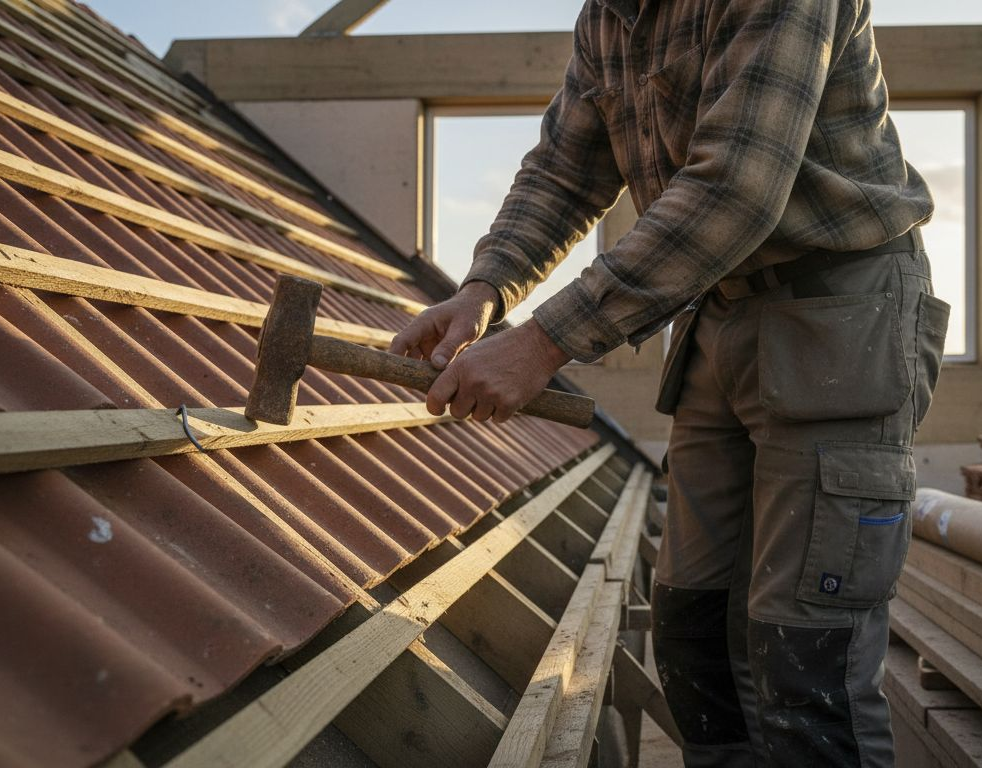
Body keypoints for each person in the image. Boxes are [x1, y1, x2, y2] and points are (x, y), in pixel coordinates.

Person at [389, 0, 949, 764]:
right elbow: (563, 169)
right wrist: (485, 289)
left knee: (806, 655)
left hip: (840, 315)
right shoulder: (609, 17)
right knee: (694, 629)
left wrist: (544, 343)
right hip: (716, 310)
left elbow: (736, 191)